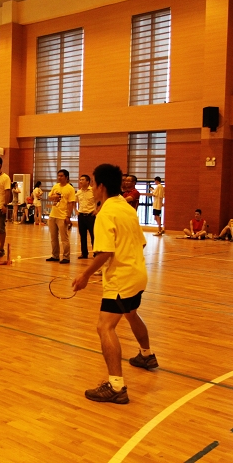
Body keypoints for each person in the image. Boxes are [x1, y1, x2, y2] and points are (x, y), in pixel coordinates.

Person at [72, 164, 158, 405]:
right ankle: (146, 355)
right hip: (138, 274)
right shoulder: (127, 208)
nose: (92, 189)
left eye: (93, 184)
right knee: (131, 313)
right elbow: (141, 242)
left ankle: (116, 386)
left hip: (121, 279)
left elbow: (105, 252)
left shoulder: (106, 213)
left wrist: (85, 275)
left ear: (100, 185)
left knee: (105, 327)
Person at [47, 169, 76, 264]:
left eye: (61, 176)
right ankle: (55, 255)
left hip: (62, 216)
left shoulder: (70, 188)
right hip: (53, 215)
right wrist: (53, 197)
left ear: (66, 177)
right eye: (58, 176)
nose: (59, 177)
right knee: (53, 238)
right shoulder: (55, 186)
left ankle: (66, 257)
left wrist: (68, 216)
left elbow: (71, 203)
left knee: (64, 238)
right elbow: (49, 197)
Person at [76, 174, 97, 259]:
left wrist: (97, 210)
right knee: (82, 235)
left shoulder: (93, 191)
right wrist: (76, 210)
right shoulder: (78, 192)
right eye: (80, 180)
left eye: (82, 180)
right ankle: (84, 253)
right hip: (81, 216)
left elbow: (100, 201)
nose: (80, 181)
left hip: (90, 216)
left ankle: (96, 253)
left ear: (88, 181)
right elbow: (73, 201)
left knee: (93, 235)